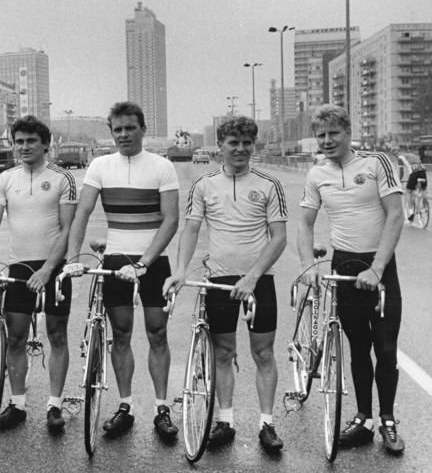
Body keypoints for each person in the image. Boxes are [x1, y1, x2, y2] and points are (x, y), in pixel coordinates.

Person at [166, 116, 287, 453]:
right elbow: (190, 230)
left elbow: (279, 238)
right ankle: (226, 420)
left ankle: (267, 424)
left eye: (247, 143)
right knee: (223, 352)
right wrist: (179, 270)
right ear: (220, 146)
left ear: (254, 145)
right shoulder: (204, 185)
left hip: (259, 281)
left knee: (263, 353)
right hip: (219, 280)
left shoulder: (268, 184)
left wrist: (252, 277)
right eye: (233, 143)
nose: (241, 149)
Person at [63, 101, 180, 440]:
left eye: (131, 128)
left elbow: (170, 220)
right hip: (115, 260)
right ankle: (125, 405)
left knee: (157, 333)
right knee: (122, 333)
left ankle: (161, 409)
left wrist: (144, 263)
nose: (124, 134)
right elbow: (82, 214)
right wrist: (73, 257)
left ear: (142, 128)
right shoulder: (100, 165)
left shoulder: (162, 166)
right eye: (118, 129)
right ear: (111, 132)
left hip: (153, 262)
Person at [298, 104, 405, 455]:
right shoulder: (316, 174)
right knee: (358, 347)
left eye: (334, 133)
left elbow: (395, 216)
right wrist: (307, 265)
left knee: (385, 348)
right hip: (344, 266)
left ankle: (387, 419)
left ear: (348, 132)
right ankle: (363, 419)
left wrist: (376, 268)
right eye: (321, 135)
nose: (327, 141)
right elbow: (305, 224)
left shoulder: (376, 163)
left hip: (379, 266)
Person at [0, 116, 77, 433]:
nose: (24, 147)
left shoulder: (63, 179)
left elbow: (67, 229)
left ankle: (54, 406)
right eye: (19, 141)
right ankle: (18, 404)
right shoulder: (6, 179)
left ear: (45, 144)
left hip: (53, 266)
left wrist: (49, 269)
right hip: (19, 266)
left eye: (30, 141)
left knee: (57, 335)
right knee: (16, 337)